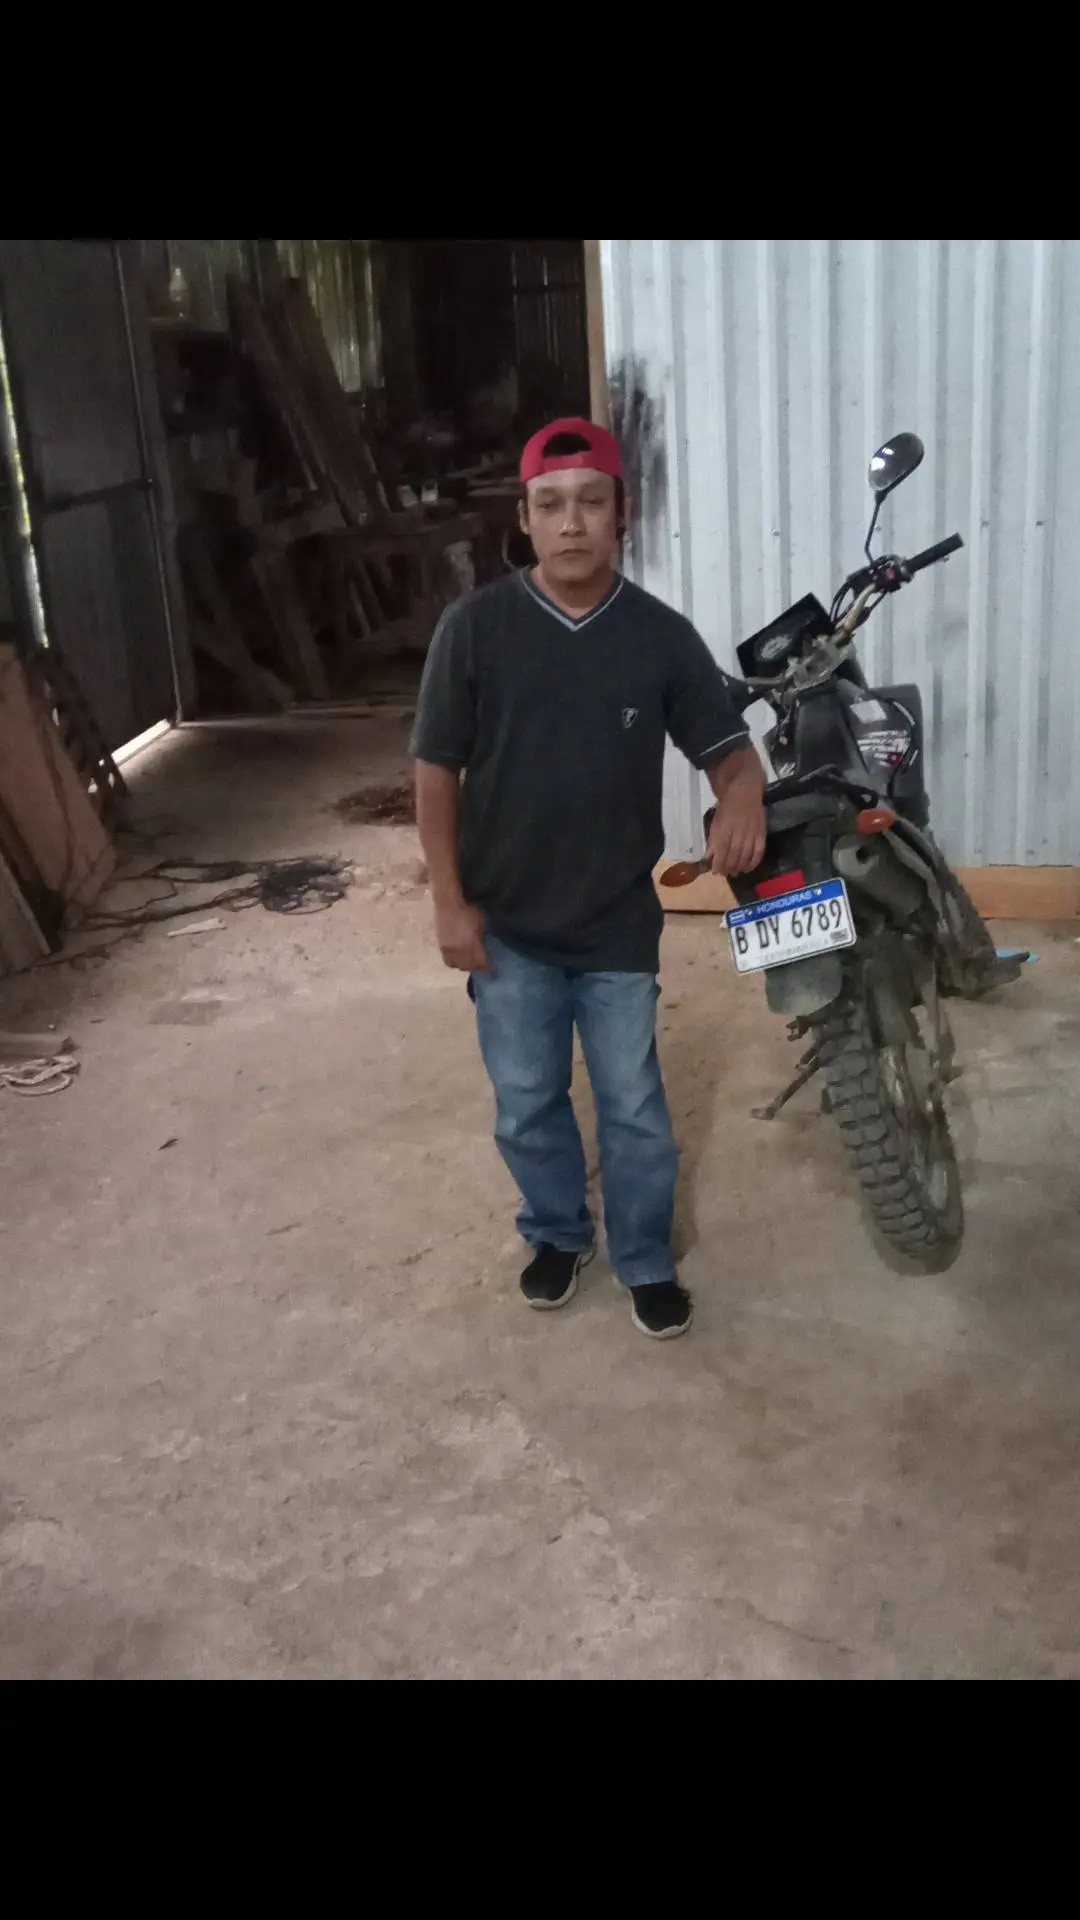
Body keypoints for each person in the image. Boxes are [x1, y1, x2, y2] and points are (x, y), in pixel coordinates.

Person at [410, 417, 766, 1339]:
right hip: (508, 926)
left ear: (621, 514)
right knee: (527, 1103)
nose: (571, 523)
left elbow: (730, 752)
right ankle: (559, 1234)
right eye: (551, 504)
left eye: (591, 502)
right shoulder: (474, 630)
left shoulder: (659, 637)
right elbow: (435, 770)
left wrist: (742, 798)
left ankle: (643, 1257)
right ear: (525, 519)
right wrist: (449, 902)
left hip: (615, 924)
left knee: (635, 1109)